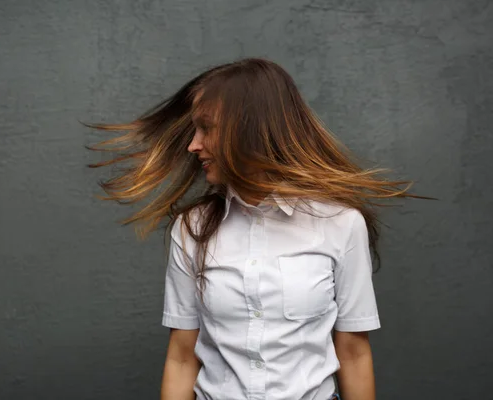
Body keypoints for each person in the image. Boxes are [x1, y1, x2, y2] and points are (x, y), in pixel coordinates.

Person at [86, 58, 430, 400]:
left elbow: (354, 353)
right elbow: (181, 356)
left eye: (207, 128)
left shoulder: (341, 223)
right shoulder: (190, 229)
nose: (193, 144)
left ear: (251, 128)